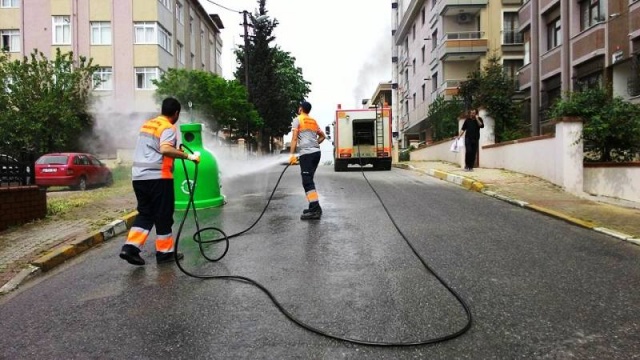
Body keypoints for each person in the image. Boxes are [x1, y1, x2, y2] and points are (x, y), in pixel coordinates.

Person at [119, 97, 200, 266]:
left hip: (139, 177)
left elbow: (153, 148)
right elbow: (164, 149)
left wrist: (174, 150)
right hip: (158, 178)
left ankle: (130, 248)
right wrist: (188, 156)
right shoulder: (168, 127)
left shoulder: (148, 124)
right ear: (176, 113)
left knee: (146, 213)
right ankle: (164, 253)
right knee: (163, 215)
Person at [289, 101, 326, 220]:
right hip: (316, 153)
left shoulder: (298, 119)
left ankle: (315, 209)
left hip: (307, 154)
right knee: (309, 179)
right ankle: (312, 206)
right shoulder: (313, 121)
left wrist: (292, 155)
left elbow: (294, 138)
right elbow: (323, 136)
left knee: (307, 181)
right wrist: (314, 144)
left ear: (300, 109)